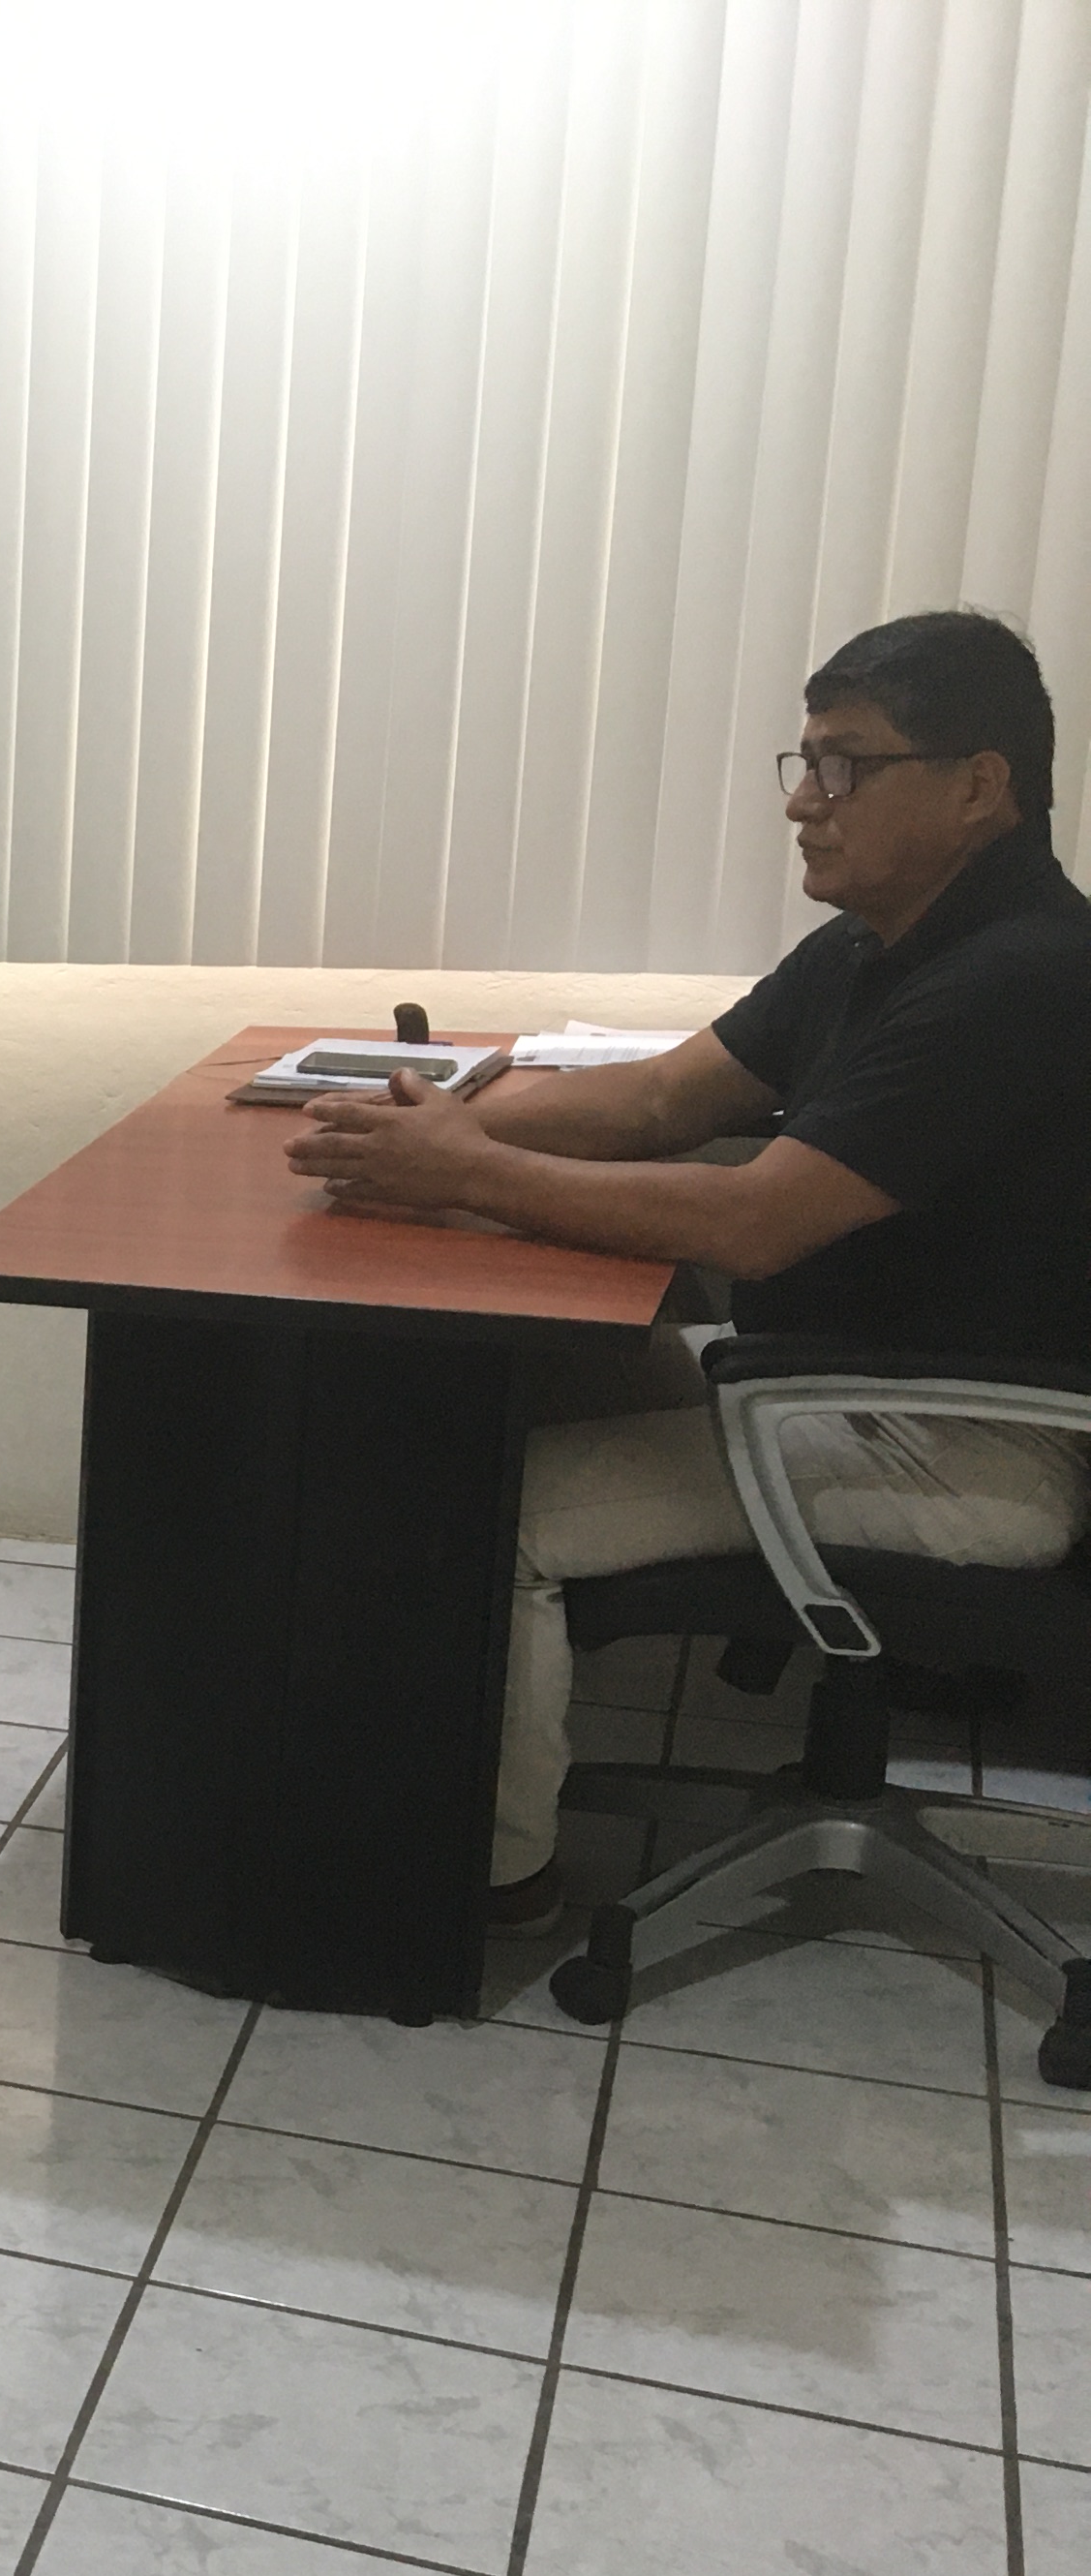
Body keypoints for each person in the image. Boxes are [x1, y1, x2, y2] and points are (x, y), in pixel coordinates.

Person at [286, 610, 1091, 1935]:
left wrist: (463, 1173)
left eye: (844, 765)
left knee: (486, 1511)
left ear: (977, 787)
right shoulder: (876, 946)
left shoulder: (1020, 979)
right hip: (838, 1382)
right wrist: (432, 1126)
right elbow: (662, 1100)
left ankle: (488, 1880)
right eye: (805, 761)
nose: (802, 800)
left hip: (962, 1443)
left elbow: (757, 1222)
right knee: (520, 1379)